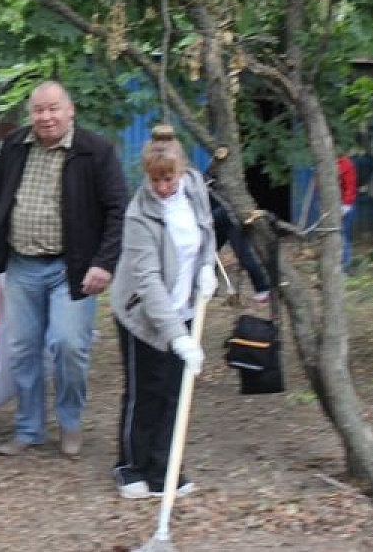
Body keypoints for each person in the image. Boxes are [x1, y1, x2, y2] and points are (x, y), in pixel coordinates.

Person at [0, 80, 127, 459]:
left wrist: (104, 263)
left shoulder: (95, 151)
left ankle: (70, 422)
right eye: (38, 110)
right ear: (30, 113)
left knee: (69, 345)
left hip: (73, 268)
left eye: (53, 108)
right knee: (22, 349)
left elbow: (117, 210)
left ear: (70, 109)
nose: (46, 117)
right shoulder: (15, 145)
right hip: (21, 264)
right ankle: (29, 429)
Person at [108, 125, 217, 499]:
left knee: (175, 389)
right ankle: (130, 467)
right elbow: (148, 282)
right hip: (141, 313)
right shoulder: (139, 215)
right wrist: (178, 337)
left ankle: (163, 469)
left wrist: (207, 266)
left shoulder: (196, 187)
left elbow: (206, 229)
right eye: (156, 180)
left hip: (184, 305)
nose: (163, 187)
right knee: (146, 390)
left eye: (169, 178)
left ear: (182, 171)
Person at [205, 170, 271, 304]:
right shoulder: (207, 180)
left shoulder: (208, 181)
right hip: (221, 219)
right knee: (209, 254)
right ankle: (210, 287)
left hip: (227, 219)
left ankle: (263, 288)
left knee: (242, 254)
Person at [337, 151, 358, 273]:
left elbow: (350, 186)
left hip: (345, 205)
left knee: (343, 235)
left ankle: (344, 266)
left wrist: (345, 205)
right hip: (333, 205)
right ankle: (340, 266)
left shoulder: (346, 164)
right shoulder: (326, 164)